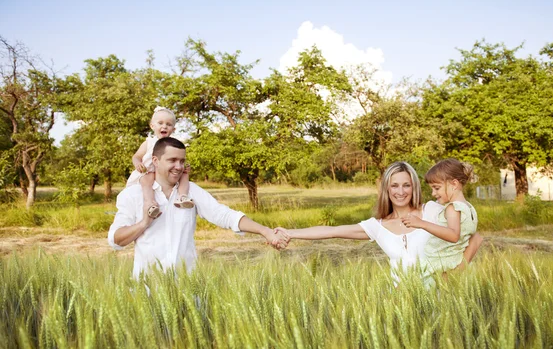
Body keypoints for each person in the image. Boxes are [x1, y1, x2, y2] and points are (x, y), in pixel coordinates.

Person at [109, 137, 289, 278]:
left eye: (182, 161)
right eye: (172, 160)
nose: (178, 167)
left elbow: (223, 215)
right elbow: (116, 240)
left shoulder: (191, 191)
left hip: (188, 290)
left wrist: (265, 231)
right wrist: (143, 224)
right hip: (147, 293)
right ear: (155, 160)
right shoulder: (133, 195)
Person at [275, 162, 482, 284]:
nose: (400, 192)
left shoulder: (432, 210)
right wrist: (290, 233)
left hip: (443, 297)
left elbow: (474, 238)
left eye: (406, 185)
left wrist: (454, 274)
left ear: (414, 187)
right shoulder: (378, 226)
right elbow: (333, 231)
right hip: (403, 302)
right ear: (386, 189)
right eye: (394, 186)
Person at [401, 158, 478, 287]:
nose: (433, 193)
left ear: (454, 184)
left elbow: (454, 235)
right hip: (454, 262)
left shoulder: (452, 208)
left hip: (440, 266)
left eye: (437, 188)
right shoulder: (469, 208)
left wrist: (422, 223)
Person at [127, 106, 193, 219]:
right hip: (148, 171)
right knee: (146, 181)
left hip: (166, 173)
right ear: (152, 126)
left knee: (185, 175)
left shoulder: (173, 144)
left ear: (173, 129)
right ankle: (151, 203)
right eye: (160, 123)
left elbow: (177, 158)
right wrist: (137, 163)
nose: (164, 126)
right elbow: (136, 156)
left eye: (169, 124)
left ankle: (182, 197)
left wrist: (183, 166)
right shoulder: (149, 142)